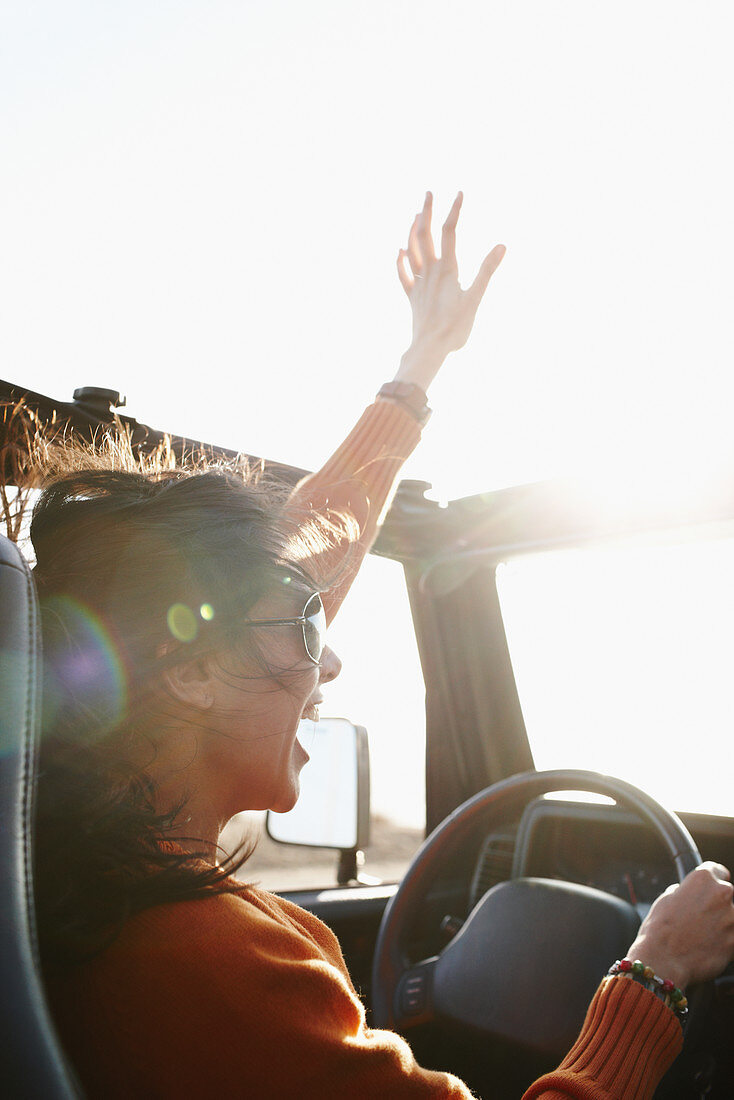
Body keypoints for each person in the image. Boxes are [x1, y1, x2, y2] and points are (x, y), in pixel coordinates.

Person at [27, 194, 734, 1099]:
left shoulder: (78, 896)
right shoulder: (219, 964)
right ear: (194, 669)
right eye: (301, 625)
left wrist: (420, 365)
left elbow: (310, 552)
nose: (328, 661)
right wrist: (654, 975)